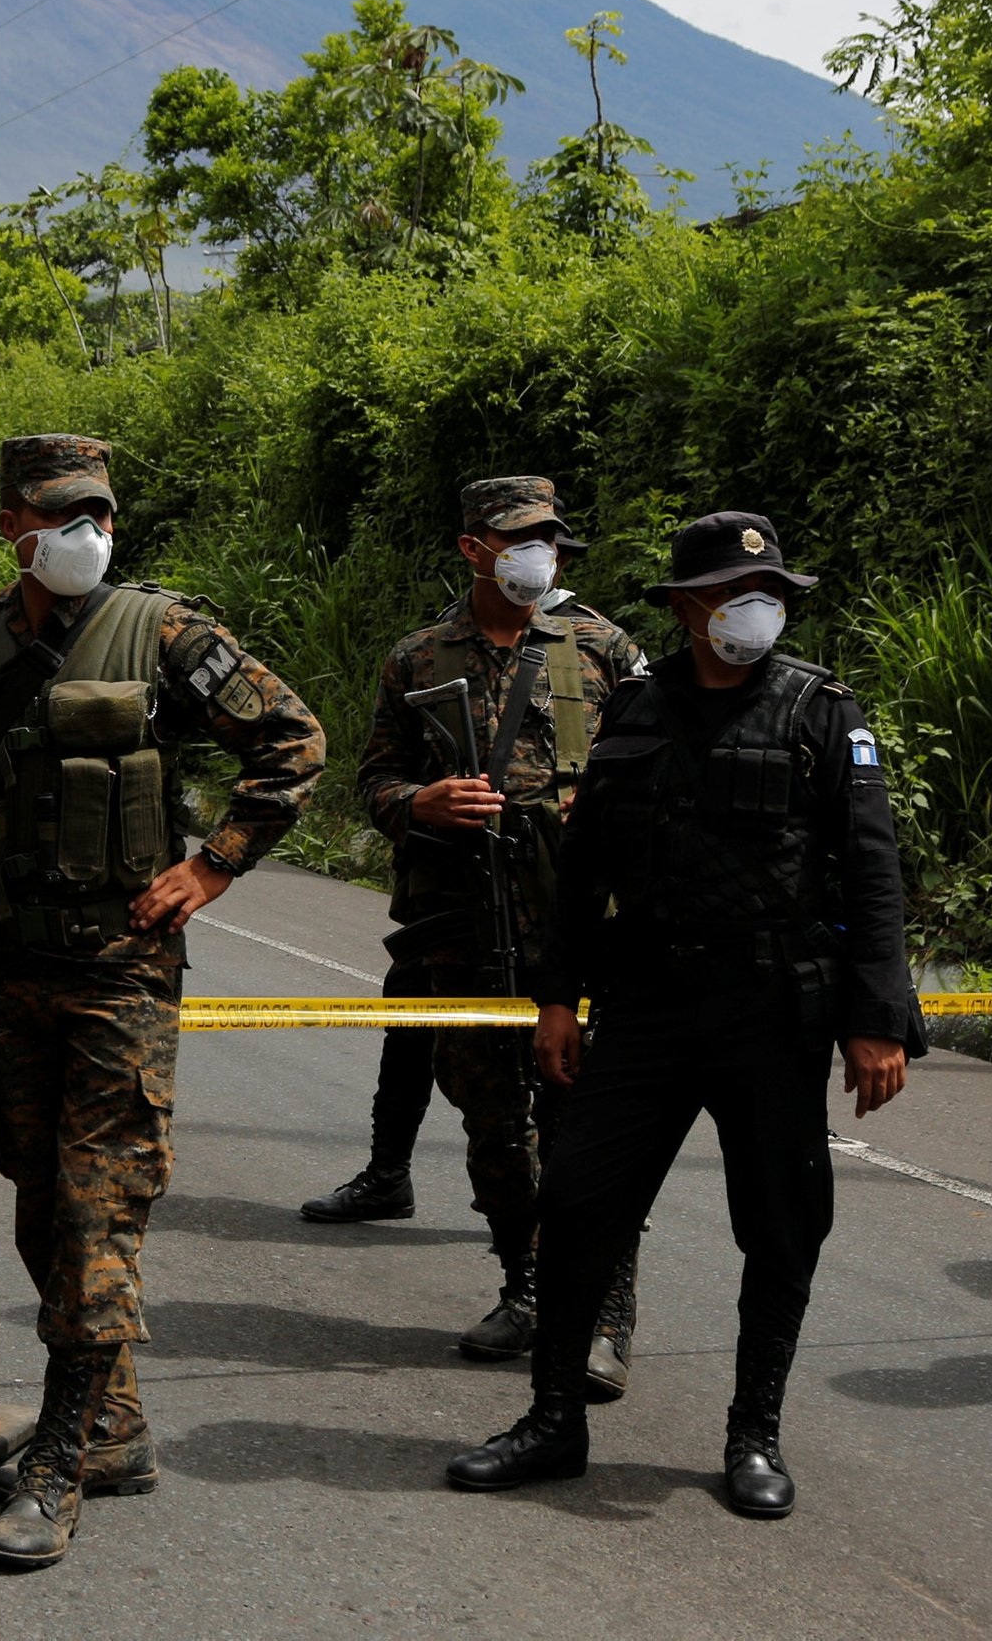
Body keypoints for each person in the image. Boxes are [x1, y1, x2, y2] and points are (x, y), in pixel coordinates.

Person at [447, 511, 921, 1519]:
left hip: (771, 1009)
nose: (754, 610)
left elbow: (873, 872)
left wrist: (877, 1019)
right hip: (648, 1003)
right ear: (684, 609)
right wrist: (554, 999)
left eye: (770, 595)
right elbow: (582, 872)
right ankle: (550, 1423)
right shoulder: (635, 709)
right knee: (574, 1205)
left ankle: (752, 1434)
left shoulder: (821, 712)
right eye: (728, 594)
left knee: (781, 1226)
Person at [0, 434, 325, 1569]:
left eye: (99, 514)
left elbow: (292, 741)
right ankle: (114, 1429)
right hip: (6, 963)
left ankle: (58, 1460)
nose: (85, 535)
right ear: (12, 523)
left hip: (118, 971)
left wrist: (212, 866)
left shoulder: (161, 630)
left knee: (96, 1209)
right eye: (62, 514)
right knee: (33, 1194)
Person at [336, 477, 650, 1379]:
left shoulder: (599, 649)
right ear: (473, 547)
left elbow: (663, 770)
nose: (536, 554)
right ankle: (527, 1284)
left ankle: (604, 1311)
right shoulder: (419, 658)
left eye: (548, 538)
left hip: (579, 930)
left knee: (587, 1126)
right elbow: (374, 781)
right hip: (461, 929)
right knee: (493, 1127)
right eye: (518, 538)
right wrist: (421, 803)